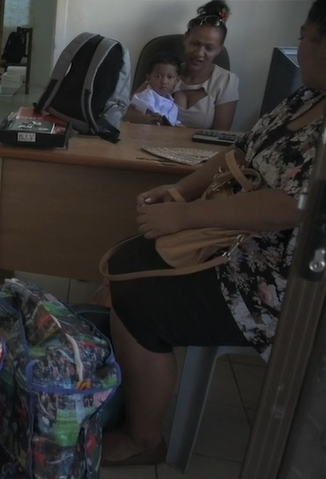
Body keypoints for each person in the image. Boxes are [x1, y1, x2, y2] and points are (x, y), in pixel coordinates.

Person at [101, 0, 326, 467]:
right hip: (227, 243)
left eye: (304, 37)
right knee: (123, 264)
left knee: (135, 300)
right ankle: (131, 385)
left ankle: (146, 439)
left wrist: (186, 219)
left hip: (274, 285)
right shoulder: (307, 97)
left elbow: (294, 205)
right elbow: (237, 153)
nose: (298, 47)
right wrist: (178, 192)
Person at [128, 1, 239, 130]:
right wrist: (147, 119)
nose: (199, 53)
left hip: (200, 149)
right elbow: (126, 114)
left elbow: (220, 136)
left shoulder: (226, 81)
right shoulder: (165, 73)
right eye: (195, 44)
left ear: (219, 49)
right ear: (185, 39)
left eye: (209, 48)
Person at [123, 53, 186, 126]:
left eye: (170, 77)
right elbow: (149, 115)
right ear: (148, 78)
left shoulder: (172, 104)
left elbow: (172, 122)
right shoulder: (147, 95)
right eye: (158, 76)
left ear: (176, 81)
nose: (164, 82)